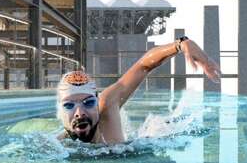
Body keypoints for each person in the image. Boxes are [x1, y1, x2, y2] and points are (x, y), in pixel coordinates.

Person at [57, 36, 221, 143]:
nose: (80, 112)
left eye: (88, 102)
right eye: (69, 105)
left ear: (97, 102)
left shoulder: (107, 104)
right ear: (60, 111)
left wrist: (181, 44)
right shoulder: (59, 146)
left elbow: (143, 65)